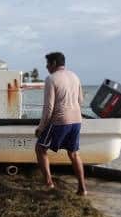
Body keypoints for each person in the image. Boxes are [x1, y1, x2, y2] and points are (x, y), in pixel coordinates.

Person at [34, 51, 87, 195]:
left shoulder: (51, 79)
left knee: (40, 148)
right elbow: (81, 100)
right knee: (74, 154)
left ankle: (48, 183)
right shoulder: (74, 76)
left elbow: (49, 107)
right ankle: (82, 188)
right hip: (77, 120)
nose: (46, 67)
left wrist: (41, 127)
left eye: (47, 64)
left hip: (60, 120)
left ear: (54, 64)